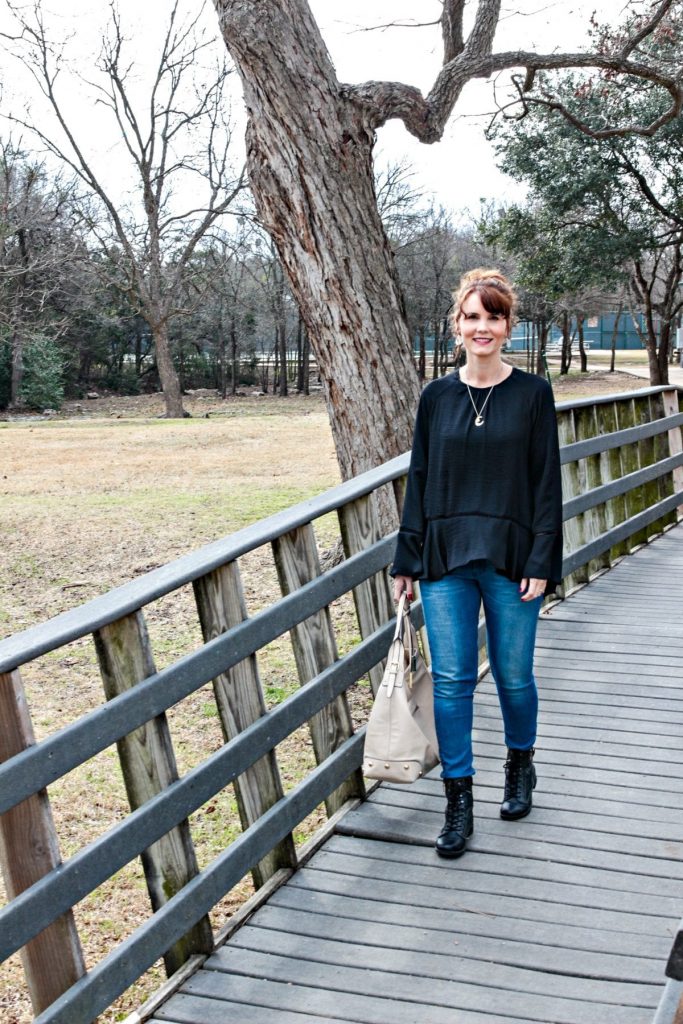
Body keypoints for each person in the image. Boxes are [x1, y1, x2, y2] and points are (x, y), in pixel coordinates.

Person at [391, 268, 562, 859]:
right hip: (445, 558)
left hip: (514, 559)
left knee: (514, 675)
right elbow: (419, 478)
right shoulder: (436, 397)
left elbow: (545, 484)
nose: (481, 326)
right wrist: (406, 558)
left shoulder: (533, 394)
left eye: (493, 316)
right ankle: (457, 799)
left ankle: (520, 765)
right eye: (472, 316)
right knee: (454, 681)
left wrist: (543, 556)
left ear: (508, 325)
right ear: (457, 326)